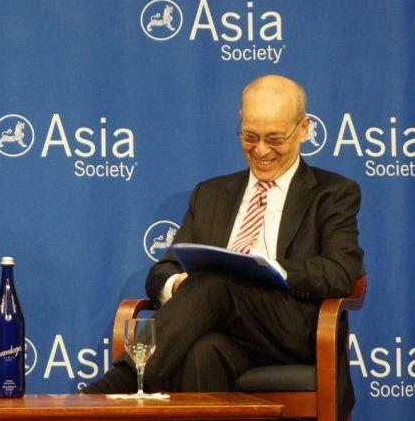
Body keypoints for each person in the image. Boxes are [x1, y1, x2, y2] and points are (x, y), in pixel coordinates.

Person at [85, 75, 364, 420]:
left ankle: (123, 381)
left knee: (217, 283)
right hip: (222, 332)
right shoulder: (212, 194)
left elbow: (341, 271)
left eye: (274, 138)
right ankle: (134, 375)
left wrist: (272, 268)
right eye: (250, 137)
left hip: (292, 329)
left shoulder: (333, 193)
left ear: (304, 129)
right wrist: (180, 286)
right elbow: (163, 271)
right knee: (203, 350)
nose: (261, 150)